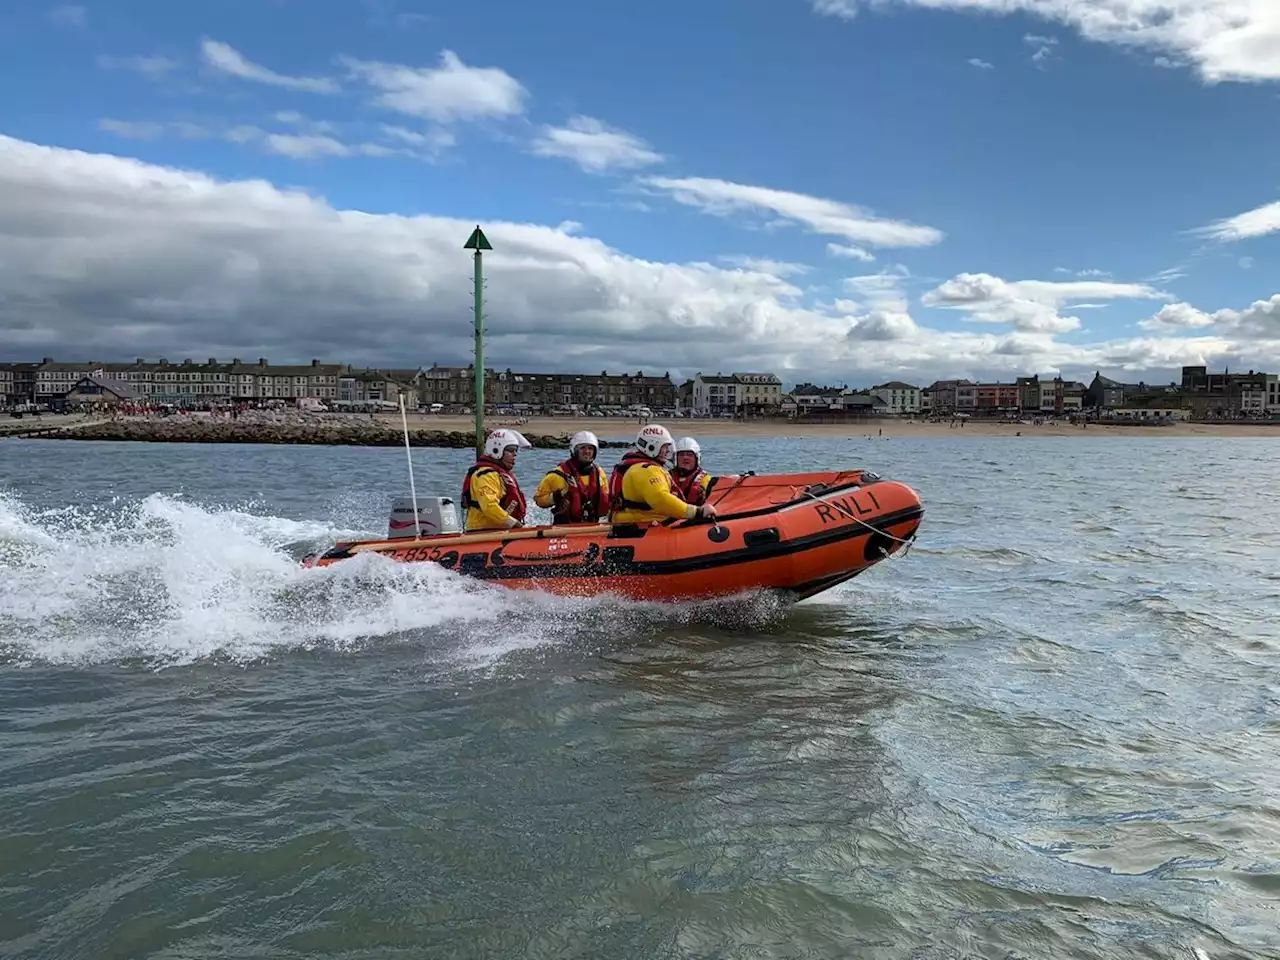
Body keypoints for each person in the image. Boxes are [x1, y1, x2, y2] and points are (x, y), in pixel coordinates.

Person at [608, 424, 718, 525]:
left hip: (639, 521)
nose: (667, 452)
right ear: (652, 447)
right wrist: (697, 512)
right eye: (664, 447)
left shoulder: (637, 467)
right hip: (643, 524)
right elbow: (661, 499)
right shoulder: (647, 471)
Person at [460, 427, 531, 531]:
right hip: (483, 531)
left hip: (499, 530)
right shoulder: (485, 476)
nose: (515, 454)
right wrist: (514, 523)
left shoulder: (499, 475)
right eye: (511, 450)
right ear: (496, 450)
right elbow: (489, 507)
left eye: (516, 450)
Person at [533, 430, 609, 525]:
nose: (587, 452)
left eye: (590, 448)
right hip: (564, 528)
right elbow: (539, 499)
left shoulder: (599, 473)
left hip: (592, 525)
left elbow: (606, 495)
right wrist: (555, 498)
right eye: (583, 448)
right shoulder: (557, 475)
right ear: (575, 450)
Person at [670, 436, 715, 506]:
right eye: (681, 455)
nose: (685, 458)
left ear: (697, 458)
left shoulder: (707, 481)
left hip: (696, 515)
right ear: (675, 458)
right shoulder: (666, 477)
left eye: (689, 455)